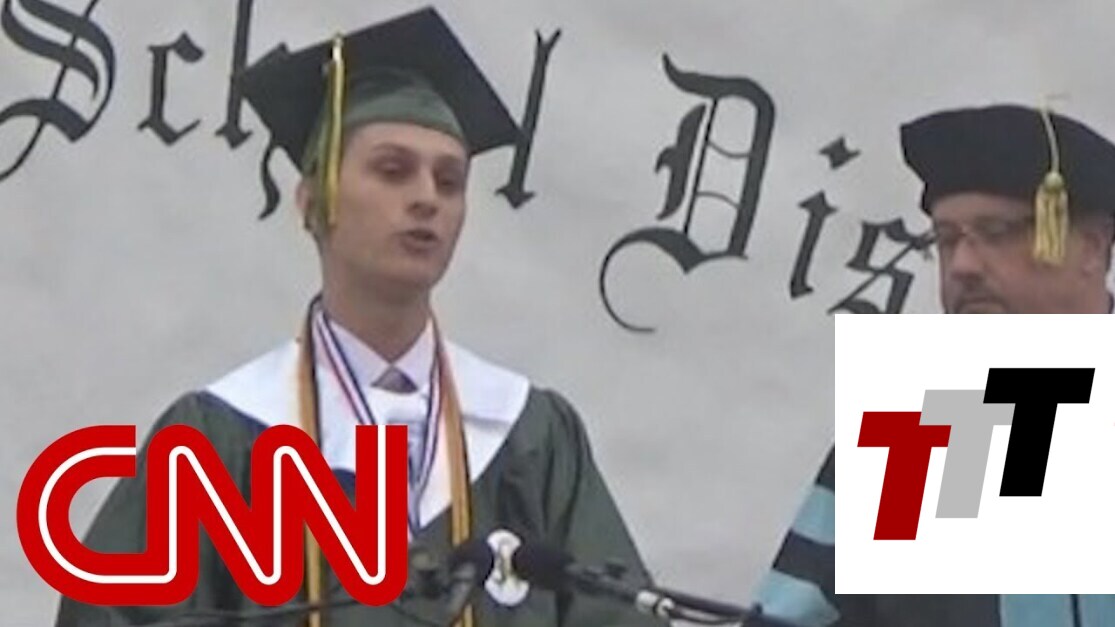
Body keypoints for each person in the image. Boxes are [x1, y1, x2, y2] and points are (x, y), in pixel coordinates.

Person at [56, 8, 662, 626]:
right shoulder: (219, 440)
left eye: (449, 181)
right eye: (393, 170)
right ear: (312, 201)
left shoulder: (530, 438)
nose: (426, 197)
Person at [749, 104, 1115, 626]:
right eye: (946, 240)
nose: (962, 265)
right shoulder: (919, 426)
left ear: (1092, 247)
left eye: (996, 232)